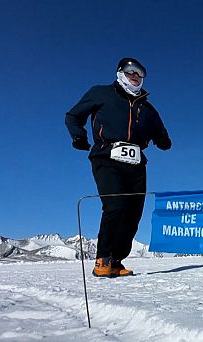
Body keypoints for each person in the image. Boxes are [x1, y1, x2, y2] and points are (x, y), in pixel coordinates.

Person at [65, 57, 172, 277]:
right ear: (119, 72)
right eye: (130, 71)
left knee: (133, 213)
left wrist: (163, 141)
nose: (135, 76)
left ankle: (116, 260)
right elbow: (73, 116)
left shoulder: (147, 108)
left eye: (140, 73)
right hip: (107, 157)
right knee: (115, 205)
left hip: (136, 163)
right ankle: (102, 259)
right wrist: (79, 137)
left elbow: (160, 132)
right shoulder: (101, 93)